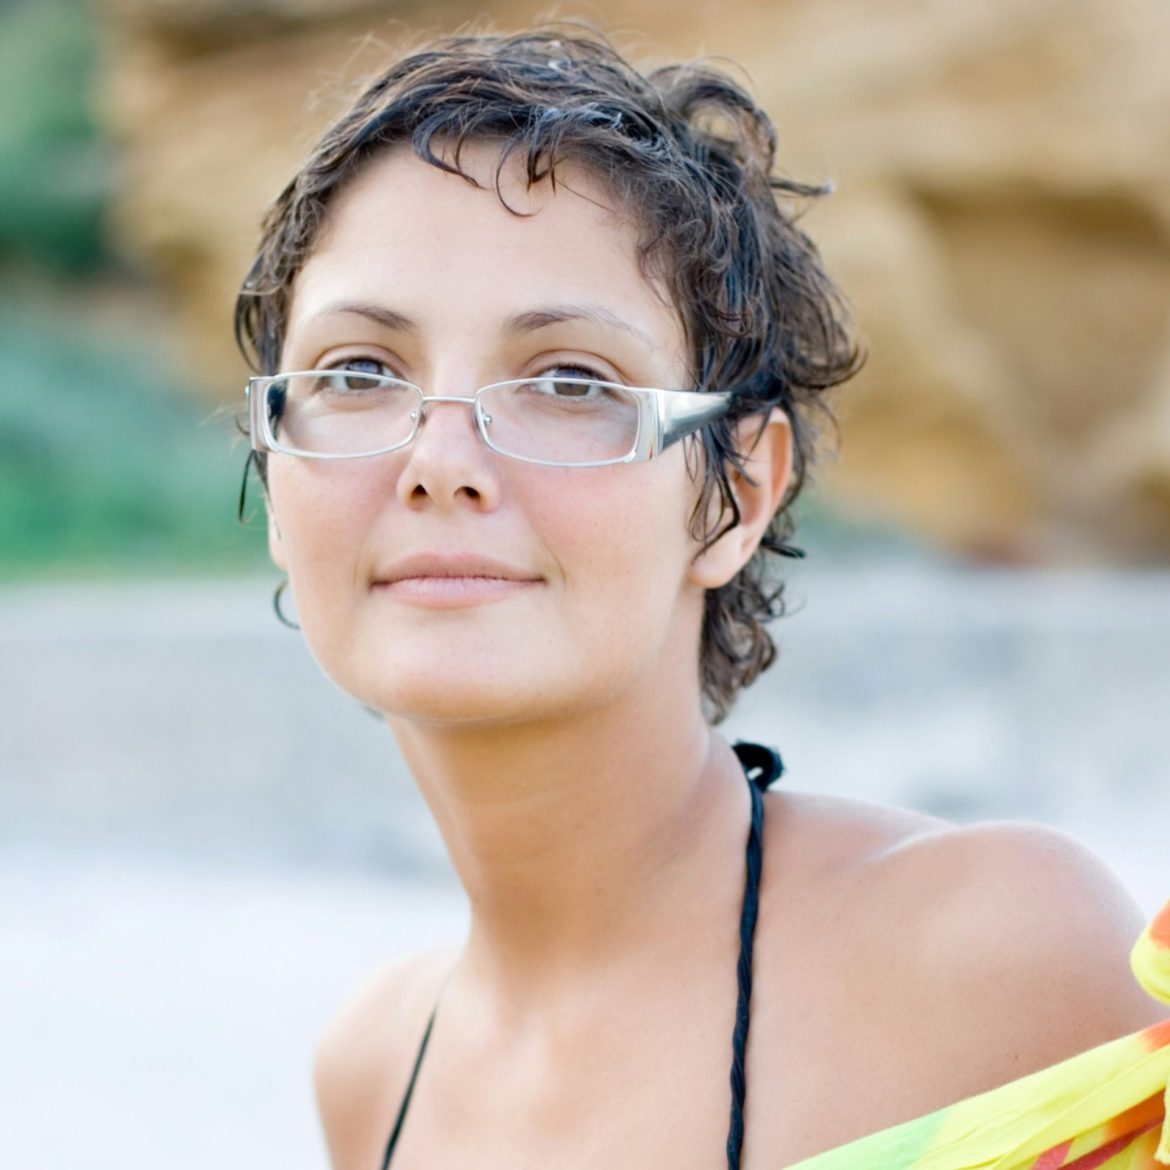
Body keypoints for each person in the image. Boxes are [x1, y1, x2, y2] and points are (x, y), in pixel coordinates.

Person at [234, 26, 1169, 1170]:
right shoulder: (375, 1074)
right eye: (360, 373)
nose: (438, 458)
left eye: (571, 381)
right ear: (277, 480)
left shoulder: (999, 954)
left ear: (736, 492)